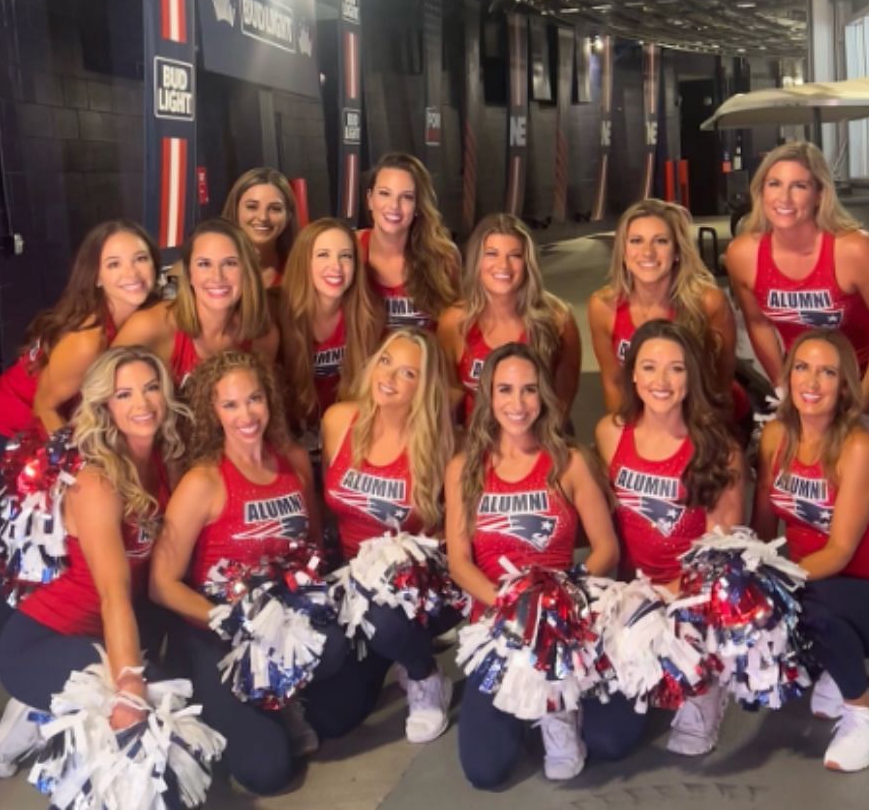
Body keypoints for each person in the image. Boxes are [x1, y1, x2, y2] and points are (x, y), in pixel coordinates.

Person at [0, 348, 189, 778]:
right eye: (124, 395)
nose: (142, 404)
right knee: (138, 733)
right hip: (42, 639)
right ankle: (37, 705)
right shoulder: (97, 481)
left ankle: (41, 708)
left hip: (101, 631)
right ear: (104, 406)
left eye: (151, 388)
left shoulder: (163, 457)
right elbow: (113, 594)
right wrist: (130, 688)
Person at [149, 351, 335, 796]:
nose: (246, 414)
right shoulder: (204, 481)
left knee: (339, 649)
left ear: (268, 399)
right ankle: (213, 699)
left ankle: (284, 699)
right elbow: (161, 584)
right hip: (219, 633)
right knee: (267, 772)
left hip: (281, 626)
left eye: (253, 399)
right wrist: (229, 621)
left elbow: (312, 546)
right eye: (229, 405)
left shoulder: (290, 462)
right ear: (212, 413)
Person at [445, 343, 627, 788]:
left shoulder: (570, 461)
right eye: (505, 390)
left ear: (544, 396)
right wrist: (512, 607)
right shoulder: (465, 467)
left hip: (561, 619)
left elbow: (606, 550)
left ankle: (559, 710)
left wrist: (562, 603)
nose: (517, 403)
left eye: (528, 390)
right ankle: (535, 703)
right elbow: (459, 563)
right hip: (495, 625)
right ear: (487, 396)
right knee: (485, 771)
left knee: (615, 739)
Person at [754, 330, 869, 772]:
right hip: (823, 586)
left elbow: (840, 552)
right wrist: (746, 574)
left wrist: (775, 583)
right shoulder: (775, 436)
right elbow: (762, 523)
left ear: (845, 385)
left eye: (827, 372)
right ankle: (842, 660)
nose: (812, 382)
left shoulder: (859, 448)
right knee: (798, 603)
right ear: (788, 375)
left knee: (805, 605)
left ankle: (866, 716)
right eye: (802, 368)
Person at [592, 319, 746, 757]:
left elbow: (722, 556)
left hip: (691, 601)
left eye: (676, 369)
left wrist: (667, 598)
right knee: (603, 741)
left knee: (684, 737)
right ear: (633, 375)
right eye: (650, 367)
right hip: (628, 597)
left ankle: (706, 683)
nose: (661, 381)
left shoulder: (719, 448)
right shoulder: (609, 433)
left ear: (691, 377)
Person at [311, 328, 458, 743]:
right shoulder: (339, 420)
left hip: (414, 590)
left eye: (408, 373)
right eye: (386, 361)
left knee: (387, 623)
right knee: (331, 720)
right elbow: (327, 506)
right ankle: (392, 653)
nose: (389, 377)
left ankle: (424, 676)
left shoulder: (439, 441)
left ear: (423, 387)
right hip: (350, 579)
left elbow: (448, 537)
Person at [725, 142, 869, 411]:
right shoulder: (742, 254)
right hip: (806, 378)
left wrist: (864, 397)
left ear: (820, 194)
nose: (784, 198)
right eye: (774, 184)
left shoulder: (855, 250)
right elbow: (758, 324)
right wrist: (784, 389)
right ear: (761, 191)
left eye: (799, 186)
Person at [0, 219, 160, 442]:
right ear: (97, 277)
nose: (132, 273)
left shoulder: (139, 317)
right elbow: (44, 407)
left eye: (140, 259)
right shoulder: (87, 340)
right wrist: (74, 467)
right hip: (5, 429)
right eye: (114, 264)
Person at [587, 199, 743, 420]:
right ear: (622, 252)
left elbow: (722, 381)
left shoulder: (708, 302)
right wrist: (627, 437)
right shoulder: (603, 307)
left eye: (660, 241)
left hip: (702, 418)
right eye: (636, 241)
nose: (647, 252)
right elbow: (614, 383)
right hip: (643, 418)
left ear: (677, 251)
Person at [438, 213, 581, 422]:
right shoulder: (454, 322)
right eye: (491, 254)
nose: (503, 266)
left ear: (527, 263)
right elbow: (450, 401)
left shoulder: (557, 319)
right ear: (477, 261)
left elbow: (562, 404)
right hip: (474, 446)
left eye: (514, 255)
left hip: (536, 444)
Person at [116, 218, 280, 387]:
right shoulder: (149, 326)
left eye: (230, 263)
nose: (217, 277)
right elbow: (101, 398)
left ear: (247, 270)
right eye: (204, 264)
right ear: (189, 274)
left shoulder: (263, 337)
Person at [275, 217, 379, 434]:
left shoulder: (369, 316)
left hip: (345, 432)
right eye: (323, 255)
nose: (336, 266)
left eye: (345, 256)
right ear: (304, 261)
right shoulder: (277, 314)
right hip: (289, 434)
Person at [360, 153, 462, 332]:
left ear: (418, 205)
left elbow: (454, 330)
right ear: (370, 199)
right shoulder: (349, 248)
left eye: (406, 197)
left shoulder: (444, 257)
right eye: (385, 193)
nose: (394, 206)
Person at [223, 167, 298, 287]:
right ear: (235, 209)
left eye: (275, 208)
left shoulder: (301, 270)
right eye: (252, 207)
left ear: (288, 216)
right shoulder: (210, 267)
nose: (263, 217)